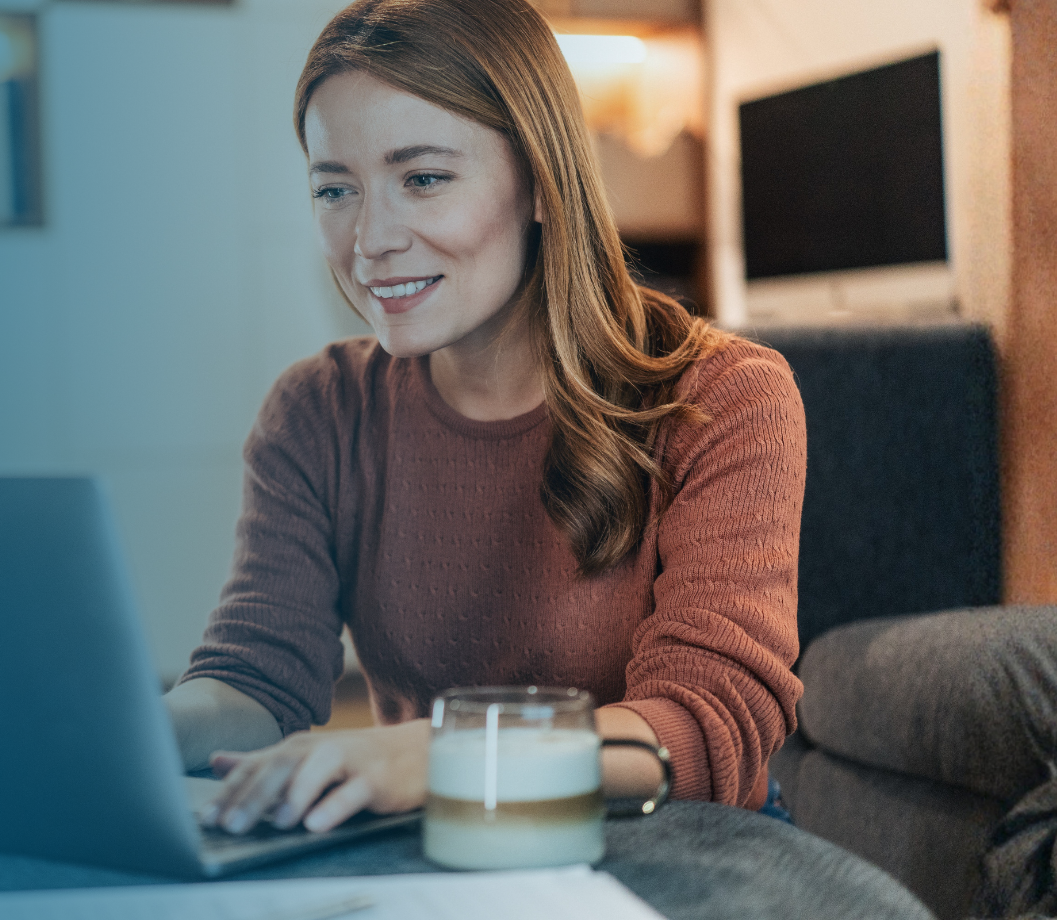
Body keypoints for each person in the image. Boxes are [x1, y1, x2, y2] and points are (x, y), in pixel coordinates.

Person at [166, 0, 806, 837]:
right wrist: (116, 735)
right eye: (335, 189)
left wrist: (444, 757)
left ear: (539, 183)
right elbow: (255, 677)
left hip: (674, 839)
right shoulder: (319, 411)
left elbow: (705, 725)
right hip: (439, 837)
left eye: (423, 178)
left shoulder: (725, 398)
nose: (369, 240)